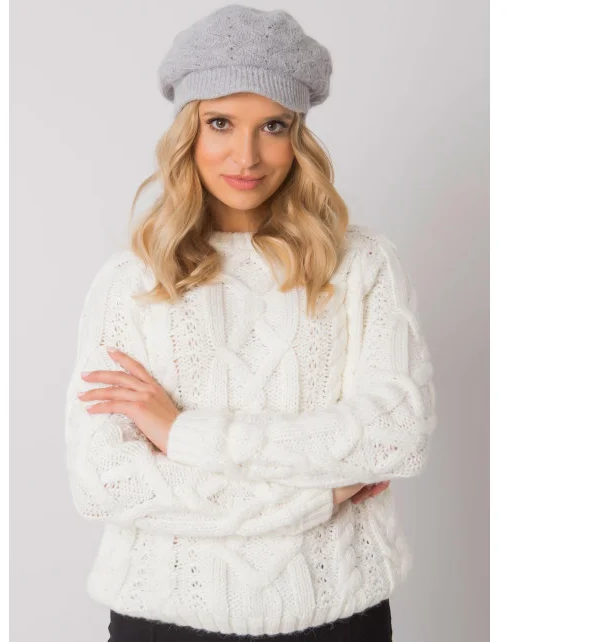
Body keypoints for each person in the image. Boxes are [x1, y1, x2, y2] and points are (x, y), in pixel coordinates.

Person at [64, 5, 436, 641]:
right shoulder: (131, 282)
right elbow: (106, 483)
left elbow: (394, 437)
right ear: (188, 131)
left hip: (339, 619)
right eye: (220, 123)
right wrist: (317, 496)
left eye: (272, 126)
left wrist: (182, 434)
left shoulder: (362, 264)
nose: (247, 155)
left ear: (299, 135)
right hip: (162, 622)